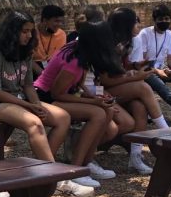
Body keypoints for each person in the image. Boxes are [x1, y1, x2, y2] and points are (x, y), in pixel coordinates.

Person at [0, 12, 89, 197]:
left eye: (30, 31)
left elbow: (28, 85)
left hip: (16, 98)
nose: (29, 35)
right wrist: (28, 107)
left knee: (62, 117)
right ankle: (58, 179)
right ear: (12, 32)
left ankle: (41, 168)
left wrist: (37, 104)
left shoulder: (25, 52)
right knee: (34, 123)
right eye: (24, 31)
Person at [33, 23, 131, 182]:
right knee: (99, 114)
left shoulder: (82, 53)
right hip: (45, 97)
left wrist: (95, 97)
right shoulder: (74, 62)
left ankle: (87, 161)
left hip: (60, 96)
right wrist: (94, 102)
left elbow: (77, 85)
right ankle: (76, 169)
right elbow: (57, 93)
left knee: (108, 111)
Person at [97, 8, 171, 171]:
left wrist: (133, 69)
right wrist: (133, 77)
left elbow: (118, 71)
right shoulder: (108, 44)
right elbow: (104, 80)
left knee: (140, 107)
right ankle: (166, 131)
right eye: (135, 22)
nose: (139, 25)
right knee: (143, 87)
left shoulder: (125, 44)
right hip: (97, 90)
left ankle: (135, 157)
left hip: (113, 87)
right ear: (125, 25)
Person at [130, 4, 171, 103]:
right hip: (146, 70)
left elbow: (170, 59)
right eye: (160, 19)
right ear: (154, 20)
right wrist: (157, 71)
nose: (164, 21)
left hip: (161, 69)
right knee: (163, 89)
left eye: (167, 18)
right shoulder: (145, 34)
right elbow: (141, 62)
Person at [32, 5, 67, 72]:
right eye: (56, 21)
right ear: (45, 20)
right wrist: (42, 74)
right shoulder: (32, 34)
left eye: (61, 21)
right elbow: (27, 59)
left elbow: (61, 58)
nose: (59, 24)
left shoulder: (61, 34)